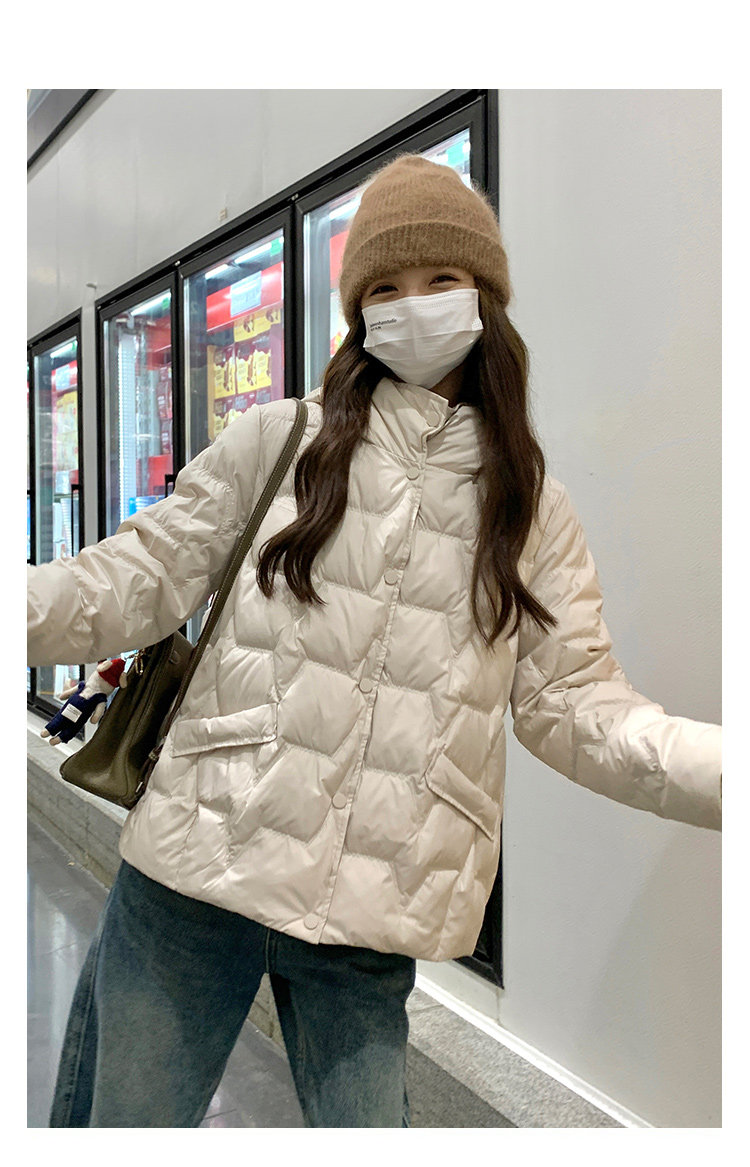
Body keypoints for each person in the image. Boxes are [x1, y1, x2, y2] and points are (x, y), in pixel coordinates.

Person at [27, 154, 722, 1129]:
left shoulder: (530, 510)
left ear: (485, 297)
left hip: (376, 906)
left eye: (442, 277)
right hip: (196, 867)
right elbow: (129, 581)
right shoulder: (279, 444)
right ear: (358, 311)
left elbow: (576, 706)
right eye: (385, 288)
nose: (413, 304)